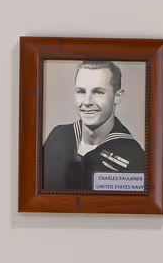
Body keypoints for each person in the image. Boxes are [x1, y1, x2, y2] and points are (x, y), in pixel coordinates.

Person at [41, 59, 145, 191]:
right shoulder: (57, 137)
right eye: (81, 91)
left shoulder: (133, 157)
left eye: (98, 92)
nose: (87, 102)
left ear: (117, 97)